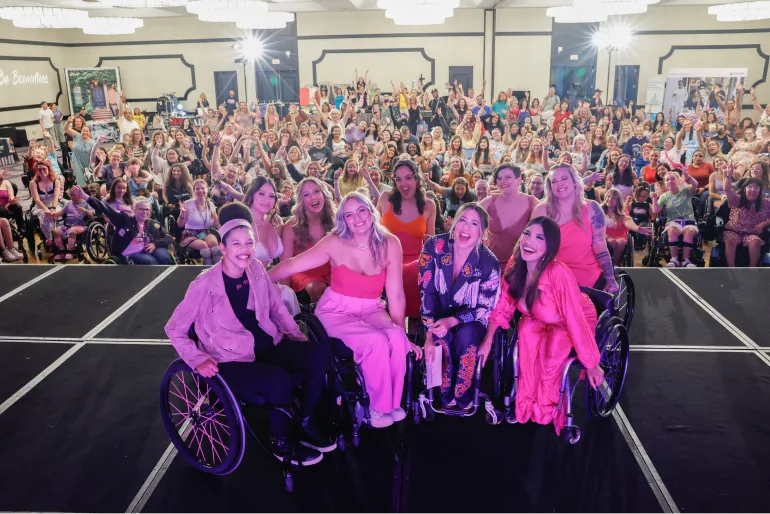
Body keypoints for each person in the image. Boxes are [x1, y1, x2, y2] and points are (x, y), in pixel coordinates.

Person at [165, 201, 334, 466]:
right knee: (278, 380)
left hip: (266, 344)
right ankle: (281, 442)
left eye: (249, 243)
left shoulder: (256, 268)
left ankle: (307, 419)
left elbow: (277, 307)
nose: (244, 250)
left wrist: (292, 331)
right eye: (237, 244)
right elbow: (174, 328)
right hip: (231, 359)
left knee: (317, 354)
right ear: (222, 248)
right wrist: (196, 359)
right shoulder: (203, 285)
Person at [269, 193, 420, 428]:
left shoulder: (390, 243)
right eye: (349, 215)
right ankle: (377, 408)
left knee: (397, 339)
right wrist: (260, 278)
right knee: (375, 342)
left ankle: (390, 403)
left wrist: (400, 330)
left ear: (371, 211)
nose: (357, 218)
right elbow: (293, 264)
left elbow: (396, 294)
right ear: (344, 220)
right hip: (335, 311)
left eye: (361, 211)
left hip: (371, 309)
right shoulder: (335, 241)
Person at [479, 217, 603, 434]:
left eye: (539, 237)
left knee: (552, 352)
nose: (529, 241)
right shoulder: (515, 266)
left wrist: (591, 362)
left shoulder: (558, 272)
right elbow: (502, 306)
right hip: (536, 318)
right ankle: (527, 408)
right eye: (527, 233)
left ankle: (550, 411)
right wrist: (487, 339)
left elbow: (575, 319)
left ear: (550, 247)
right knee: (525, 339)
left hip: (567, 319)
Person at [418, 203, 500, 408]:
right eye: (462, 220)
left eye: (474, 224)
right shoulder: (433, 247)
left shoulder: (489, 263)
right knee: (440, 335)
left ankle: (464, 389)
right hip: (437, 316)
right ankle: (445, 386)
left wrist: (452, 320)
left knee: (465, 335)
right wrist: (429, 335)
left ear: (482, 232)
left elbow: (483, 308)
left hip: (471, 319)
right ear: (454, 223)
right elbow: (426, 292)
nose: (466, 228)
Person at [530, 164, 619, 293]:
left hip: (586, 275)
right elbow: (533, 247)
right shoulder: (541, 210)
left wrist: (610, 279)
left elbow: (600, 244)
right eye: (554, 181)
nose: (559, 184)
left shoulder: (592, 208)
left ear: (575, 182)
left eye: (564, 178)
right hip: (552, 275)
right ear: (550, 186)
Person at [377, 159, 437, 322]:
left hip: (416, 261)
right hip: (387, 259)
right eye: (398, 179)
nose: (403, 183)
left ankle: (414, 334)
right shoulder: (385, 198)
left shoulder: (429, 205)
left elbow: (430, 242)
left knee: (414, 275)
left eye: (408, 178)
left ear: (417, 179)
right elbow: (373, 233)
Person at [72, 186, 174, 265]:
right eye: (141, 209)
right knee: (150, 262)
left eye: (147, 210)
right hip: (130, 251)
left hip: (150, 248)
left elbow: (167, 238)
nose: (144, 212)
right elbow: (105, 208)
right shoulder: (125, 220)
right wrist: (85, 196)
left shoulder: (154, 224)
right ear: (134, 210)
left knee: (165, 257)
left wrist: (154, 244)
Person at [281, 177, 336, 303]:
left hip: (330, 270)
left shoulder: (336, 220)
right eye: (306, 194)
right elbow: (285, 264)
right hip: (302, 272)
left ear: (324, 193)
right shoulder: (291, 226)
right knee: (317, 288)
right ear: (301, 200)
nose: (313, 197)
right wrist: (284, 299)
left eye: (316, 191)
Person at [480, 165, 537, 264]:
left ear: (519, 180)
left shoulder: (532, 202)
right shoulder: (490, 201)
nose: (503, 181)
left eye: (508, 177)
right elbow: (469, 214)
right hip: (489, 265)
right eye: (499, 178)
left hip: (518, 266)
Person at [722, 166, 770, 267]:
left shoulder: (766, 203)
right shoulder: (737, 199)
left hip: (751, 233)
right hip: (733, 231)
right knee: (730, 239)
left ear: (760, 190)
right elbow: (726, 189)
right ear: (744, 189)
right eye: (750, 186)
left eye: (756, 187)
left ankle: (751, 270)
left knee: (755, 241)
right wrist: (729, 176)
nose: (753, 189)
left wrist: (764, 223)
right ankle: (731, 269)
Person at [651, 170, 700, 268]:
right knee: (673, 231)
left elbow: (695, 184)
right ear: (665, 183)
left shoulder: (685, 191)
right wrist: (654, 199)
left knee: (689, 231)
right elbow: (655, 210)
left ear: (678, 180)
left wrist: (687, 176)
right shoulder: (664, 196)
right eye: (667, 180)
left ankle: (686, 260)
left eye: (672, 179)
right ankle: (674, 259)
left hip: (689, 221)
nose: (669, 181)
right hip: (673, 222)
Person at [602, 188, 651, 264]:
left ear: (618, 201)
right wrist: (608, 237)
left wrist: (637, 229)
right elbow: (596, 228)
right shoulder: (599, 210)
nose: (610, 199)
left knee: (620, 242)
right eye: (608, 197)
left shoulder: (622, 213)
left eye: (613, 198)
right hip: (602, 236)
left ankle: (613, 263)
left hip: (618, 236)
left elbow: (628, 221)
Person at [177, 179, 220, 264]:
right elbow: (180, 224)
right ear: (193, 191)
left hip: (205, 233)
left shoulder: (210, 204)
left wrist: (221, 214)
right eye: (197, 189)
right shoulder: (188, 204)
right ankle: (208, 272)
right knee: (204, 246)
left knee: (214, 244)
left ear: (207, 190)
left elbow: (216, 223)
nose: (200, 190)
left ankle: (219, 270)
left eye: (203, 188)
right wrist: (182, 213)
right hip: (190, 234)